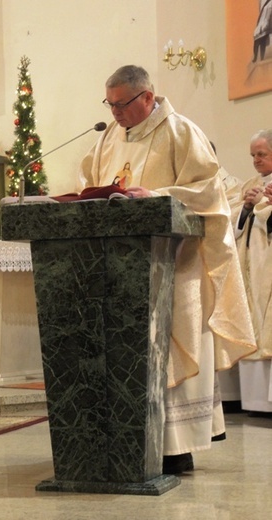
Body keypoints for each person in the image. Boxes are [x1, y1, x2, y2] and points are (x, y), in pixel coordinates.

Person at [78, 65, 257, 474]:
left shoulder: (180, 131)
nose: (115, 112)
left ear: (147, 97)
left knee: (170, 346)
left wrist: (155, 195)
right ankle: (128, 440)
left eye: (121, 104)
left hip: (173, 265)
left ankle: (175, 447)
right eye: (110, 104)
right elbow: (90, 180)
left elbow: (209, 192)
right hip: (121, 267)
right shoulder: (109, 136)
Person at [230, 129, 272, 415]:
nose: (256, 160)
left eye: (262, 154)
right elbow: (235, 227)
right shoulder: (250, 185)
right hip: (250, 269)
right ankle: (255, 403)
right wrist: (246, 207)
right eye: (253, 155)